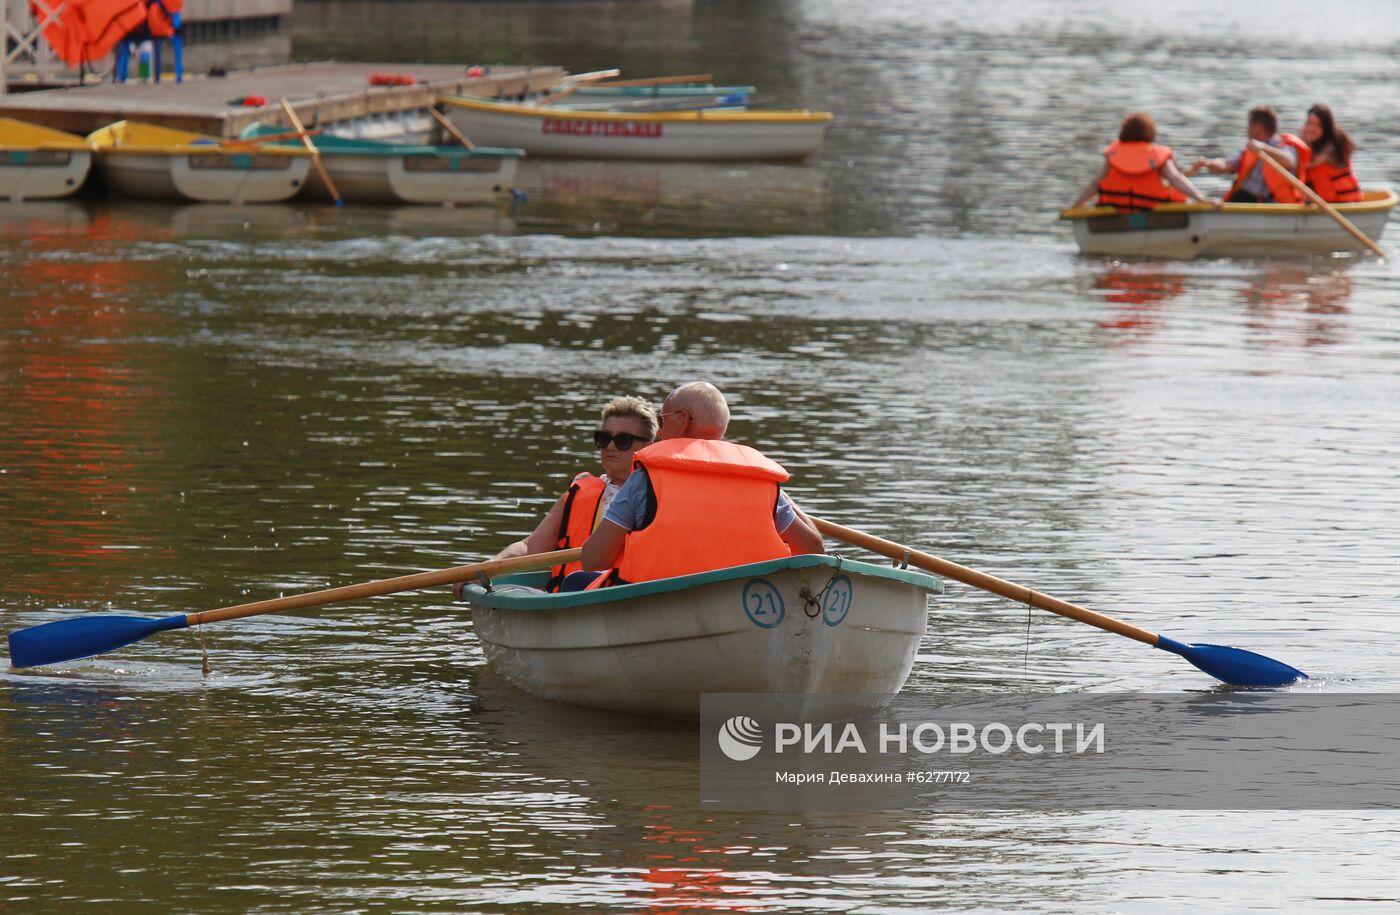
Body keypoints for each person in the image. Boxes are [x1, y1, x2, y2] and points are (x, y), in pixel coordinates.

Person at [577, 382, 824, 589]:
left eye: (662, 421)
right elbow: (812, 547)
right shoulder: (761, 479)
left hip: (656, 599)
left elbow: (594, 559)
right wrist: (774, 487)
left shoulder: (647, 476)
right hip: (745, 598)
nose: (660, 433)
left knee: (576, 581)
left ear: (682, 420)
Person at [485, 395, 658, 592]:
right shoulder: (579, 492)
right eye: (604, 438)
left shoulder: (659, 495)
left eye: (623, 440)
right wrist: (488, 567)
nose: (610, 446)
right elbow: (530, 547)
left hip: (631, 593)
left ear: (649, 445)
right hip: (575, 595)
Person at [1069, 112, 1214, 211]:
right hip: (1152, 210)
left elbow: (1095, 184)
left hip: (1117, 209)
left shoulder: (1113, 154)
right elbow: (1175, 179)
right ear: (1151, 133)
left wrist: (1075, 207)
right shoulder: (1157, 155)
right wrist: (1201, 199)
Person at [1192, 105, 1311, 204]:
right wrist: (1209, 163)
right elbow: (1227, 164)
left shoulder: (1284, 147)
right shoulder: (1249, 150)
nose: (1247, 130)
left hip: (1269, 204)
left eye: (1250, 126)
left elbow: (1289, 162)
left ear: (1258, 127)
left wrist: (1263, 148)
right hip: (1244, 199)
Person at [1300, 103, 1361, 203]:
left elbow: (1306, 164)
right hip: (1328, 203)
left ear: (1326, 129)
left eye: (1318, 125)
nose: (1312, 128)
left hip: (1347, 204)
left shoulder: (1330, 149)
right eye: (1309, 123)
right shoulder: (1312, 145)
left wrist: (1301, 139)